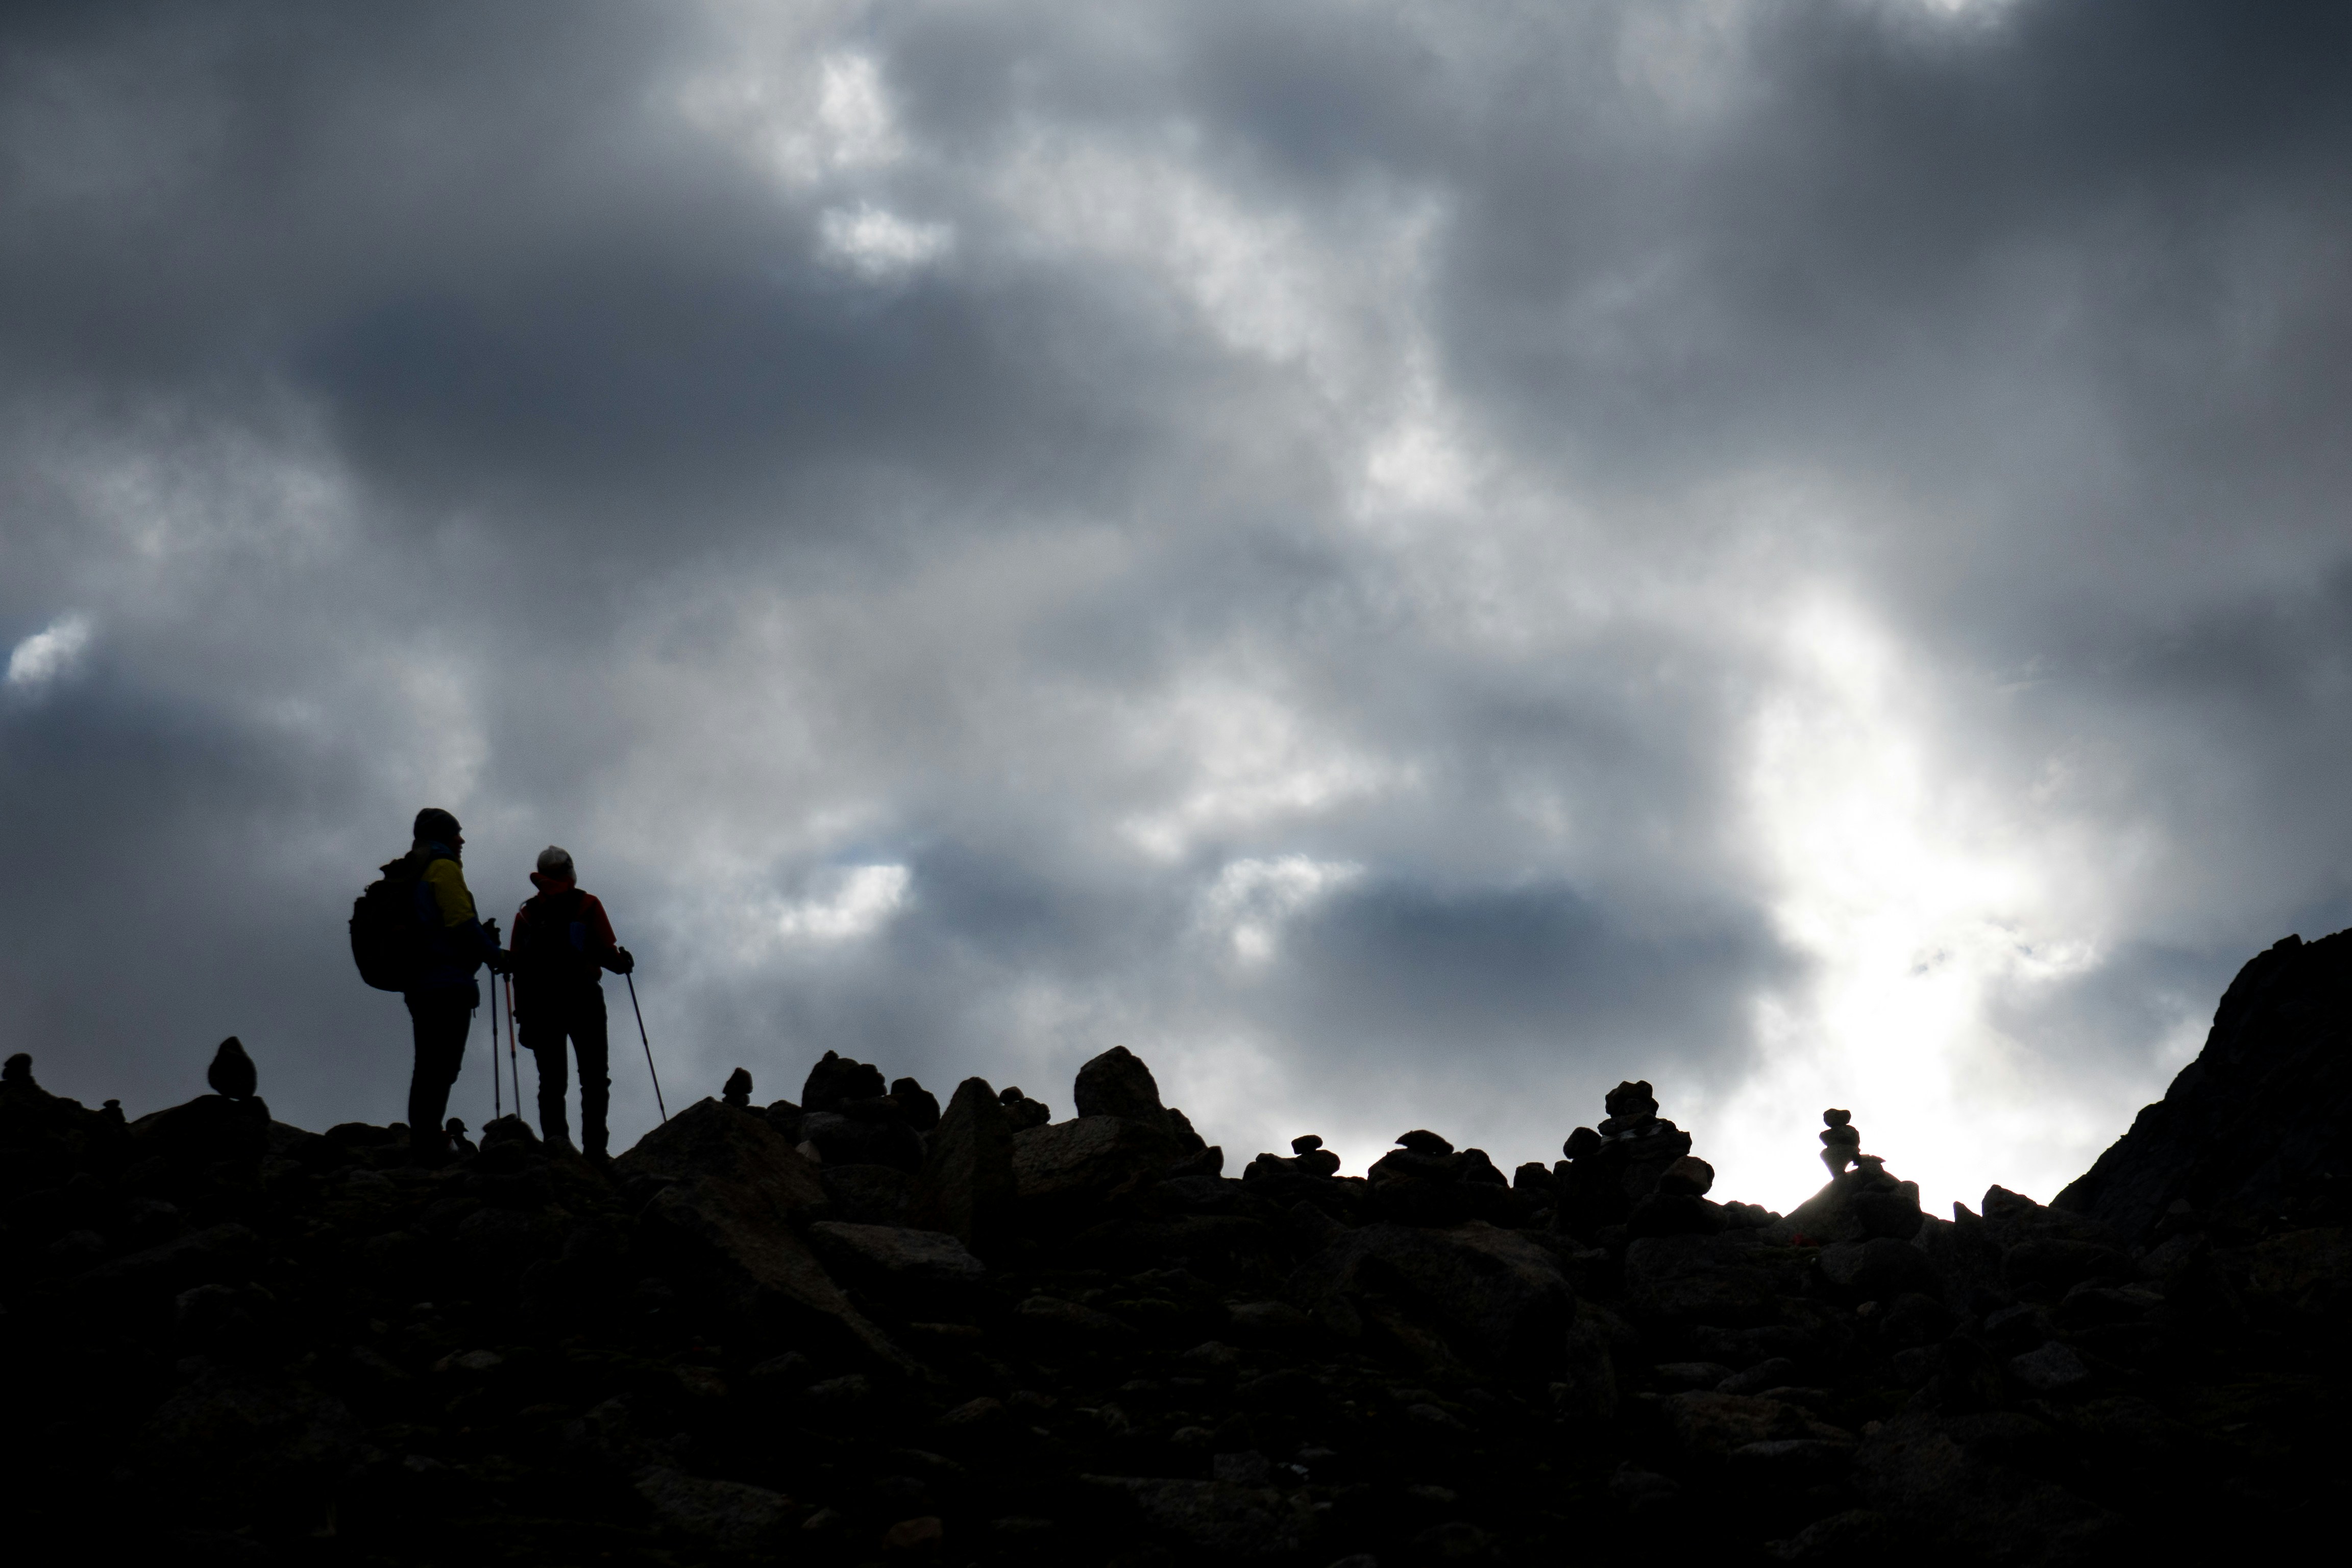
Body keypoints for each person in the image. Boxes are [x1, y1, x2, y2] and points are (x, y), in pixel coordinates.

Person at [508, 846, 632, 1160]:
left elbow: (518, 968)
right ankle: (595, 1150)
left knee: (552, 1081)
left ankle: (557, 1147)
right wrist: (623, 964)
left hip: (541, 1004)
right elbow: (607, 954)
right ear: (569, 871)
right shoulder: (587, 904)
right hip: (583, 995)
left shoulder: (526, 915)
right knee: (594, 1077)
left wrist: (522, 1015)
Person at [401, 807, 506, 1163]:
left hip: (421, 983)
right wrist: (495, 954)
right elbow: (460, 922)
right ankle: (430, 1141)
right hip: (447, 984)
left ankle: (425, 1137)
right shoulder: (443, 868)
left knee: (429, 1063)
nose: (461, 840)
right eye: (455, 833)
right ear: (441, 837)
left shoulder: (415, 873)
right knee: (441, 1065)